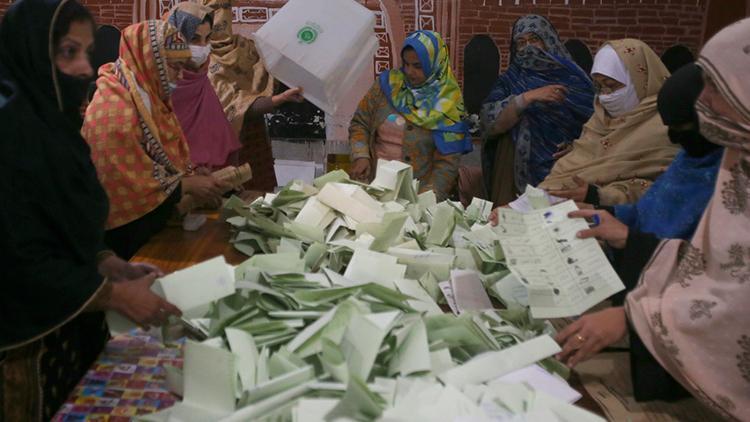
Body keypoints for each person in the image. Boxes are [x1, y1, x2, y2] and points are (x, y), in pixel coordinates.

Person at [555, 18, 750, 420]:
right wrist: (615, 221)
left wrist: (634, 316)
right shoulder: (733, 157)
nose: (706, 101)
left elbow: (733, 294)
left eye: (717, 86)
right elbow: (705, 259)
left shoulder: (724, 163)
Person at [0, 1, 180, 420]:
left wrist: (108, 263)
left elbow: (57, 228)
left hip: (70, 324)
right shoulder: (10, 138)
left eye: (85, 51)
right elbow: (14, 256)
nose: (84, 67)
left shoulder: (52, 126)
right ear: (29, 51)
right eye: (68, 52)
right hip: (23, 347)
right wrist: (114, 294)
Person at [83, 19, 230, 260]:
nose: (180, 75)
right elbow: (120, 182)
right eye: (174, 66)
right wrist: (184, 186)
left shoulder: (150, 98)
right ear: (151, 61)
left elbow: (160, 159)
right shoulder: (114, 109)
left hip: (151, 227)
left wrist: (190, 177)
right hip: (121, 246)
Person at [538, 39, 680, 206]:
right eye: (599, 87)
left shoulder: (667, 125)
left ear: (641, 80)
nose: (605, 95)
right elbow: (569, 170)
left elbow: (667, 191)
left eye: (611, 86)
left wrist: (601, 196)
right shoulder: (598, 120)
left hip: (623, 224)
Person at [167, 2, 304, 170]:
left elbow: (235, 104)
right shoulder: (166, 76)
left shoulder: (242, 49)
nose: (203, 46)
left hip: (233, 157)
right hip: (183, 170)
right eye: (195, 38)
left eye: (207, 38)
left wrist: (279, 98)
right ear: (177, 35)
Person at [481, 15, 594, 205]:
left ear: (548, 41)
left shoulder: (574, 78)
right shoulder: (510, 80)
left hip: (565, 171)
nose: (529, 47)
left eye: (534, 40)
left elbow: (597, 122)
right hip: (514, 171)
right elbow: (487, 120)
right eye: (521, 42)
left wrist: (577, 147)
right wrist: (525, 98)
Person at [349, 30, 472, 201]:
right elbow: (360, 123)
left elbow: (447, 164)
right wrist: (361, 156)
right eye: (406, 64)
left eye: (417, 66)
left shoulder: (449, 104)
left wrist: (423, 202)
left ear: (435, 64)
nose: (409, 71)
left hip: (418, 195)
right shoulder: (387, 85)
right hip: (374, 189)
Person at [607, 63, 723, 241]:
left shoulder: (732, 182)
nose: (674, 138)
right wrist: (601, 211)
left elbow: (708, 260)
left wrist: (632, 242)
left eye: (681, 127)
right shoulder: (688, 160)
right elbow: (646, 212)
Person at [203, 0, 304, 192]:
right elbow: (229, 105)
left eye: (224, 8)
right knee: (226, 200)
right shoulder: (198, 57)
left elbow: (270, 74)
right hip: (219, 143)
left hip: (253, 135)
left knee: (257, 196)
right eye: (214, 11)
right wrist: (277, 100)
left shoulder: (244, 47)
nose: (220, 17)